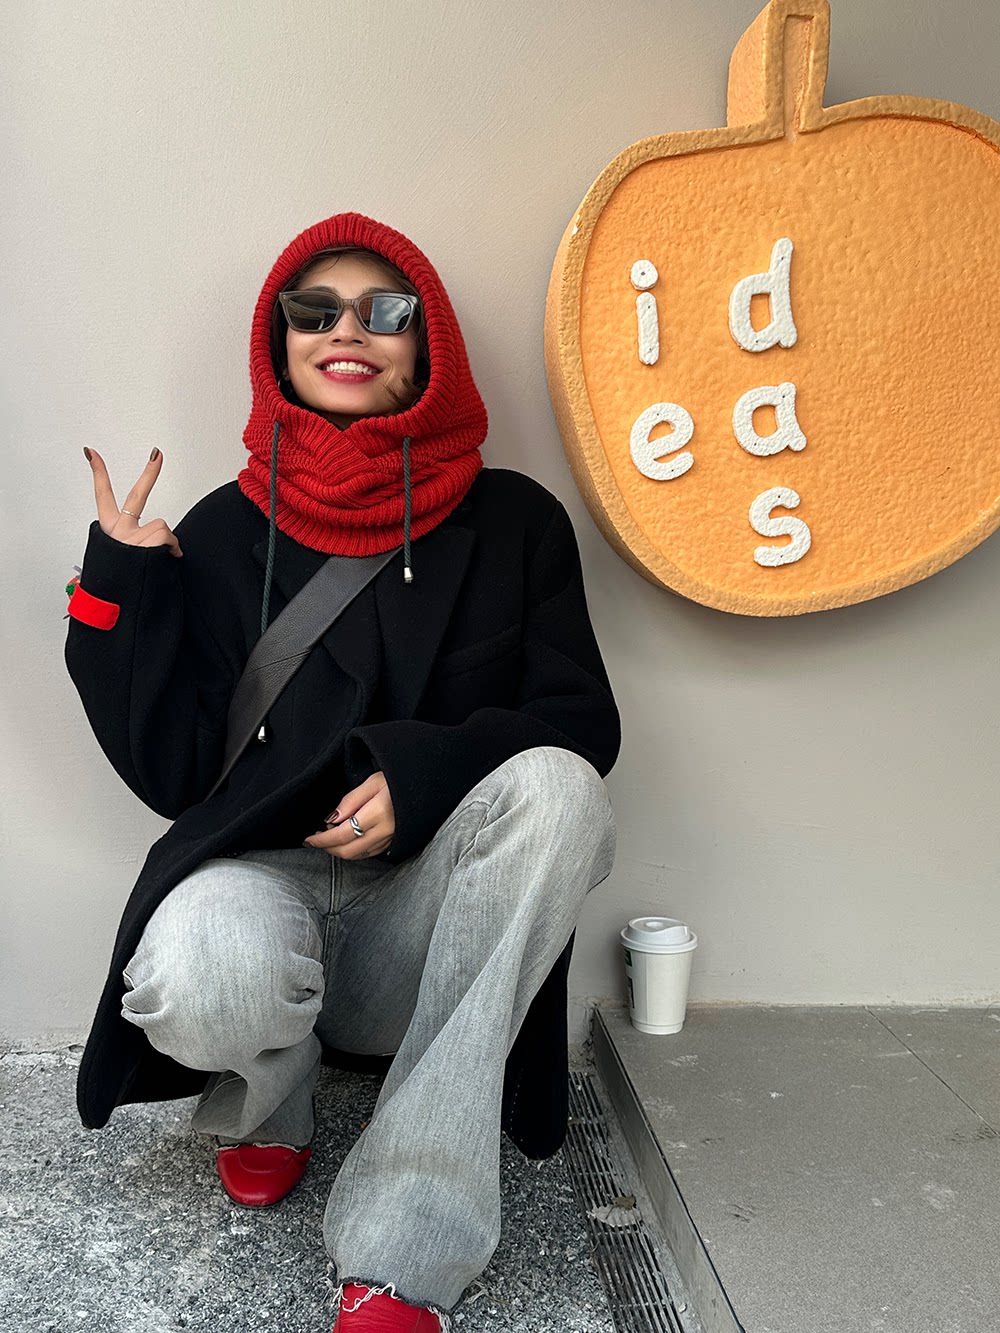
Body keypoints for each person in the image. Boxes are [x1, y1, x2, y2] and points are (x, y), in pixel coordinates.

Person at [65, 211, 620, 1332]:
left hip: (428, 913)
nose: (346, 331)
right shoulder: (227, 529)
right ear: (280, 344)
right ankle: (272, 1098)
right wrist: (119, 591)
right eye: (313, 311)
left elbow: (578, 724)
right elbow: (175, 774)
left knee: (565, 791)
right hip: (263, 888)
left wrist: (422, 776)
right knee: (200, 974)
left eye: (386, 310)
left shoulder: (515, 521)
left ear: (428, 342)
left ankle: (407, 1238)